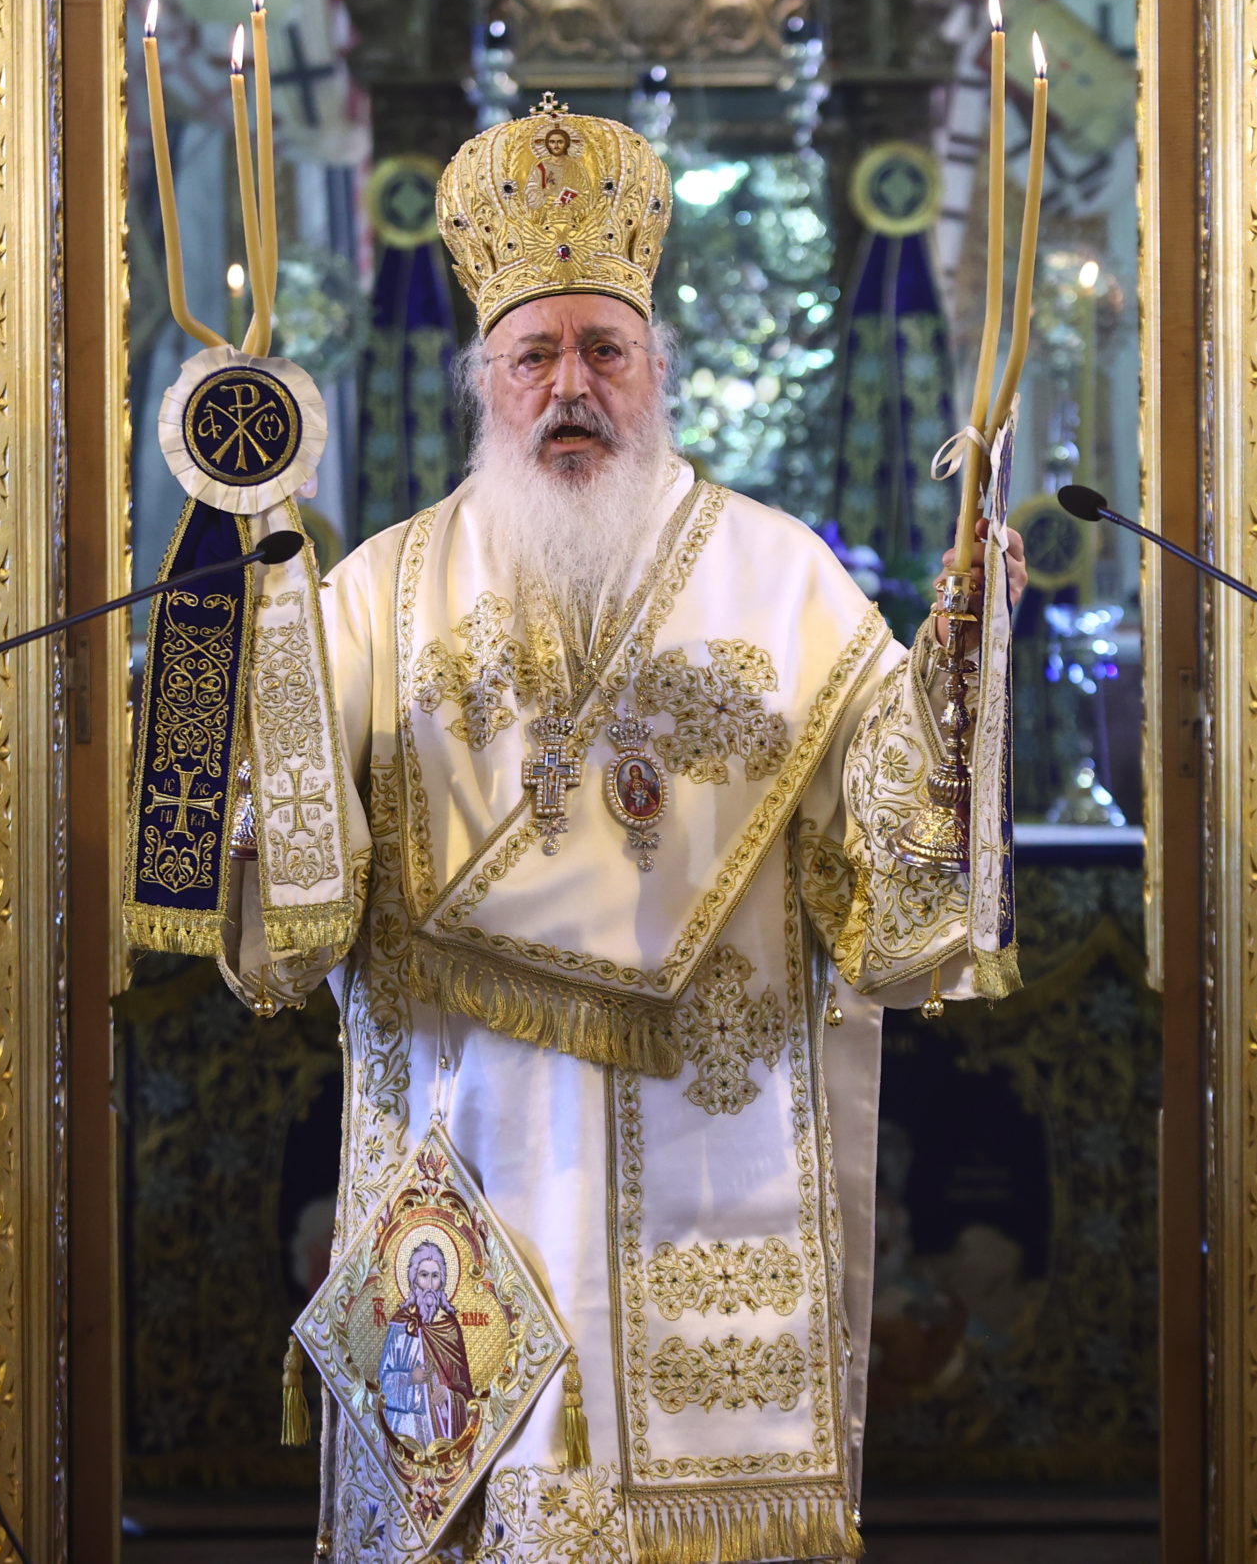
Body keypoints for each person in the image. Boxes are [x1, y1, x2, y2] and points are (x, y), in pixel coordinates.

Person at [209, 95, 1020, 1564]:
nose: (569, 385)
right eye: (534, 355)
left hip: (708, 1184)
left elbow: (895, 881)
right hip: (470, 1186)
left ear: (657, 372)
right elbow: (285, 879)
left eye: (604, 350)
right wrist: (249, 596)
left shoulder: (786, 584)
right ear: (485, 381)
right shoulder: (380, 595)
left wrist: (962, 669)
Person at [377, 1241, 474, 1448]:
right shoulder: (400, 1324)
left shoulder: (449, 1327)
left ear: (442, 1281)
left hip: (440, 1430)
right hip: (403, 1429)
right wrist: (409, 1378)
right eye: (424, 1275)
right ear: (414, 1280)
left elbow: (465, 1391)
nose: (429, 1284)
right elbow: (383, 1382)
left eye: (435, 1276)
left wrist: (449, 1396)